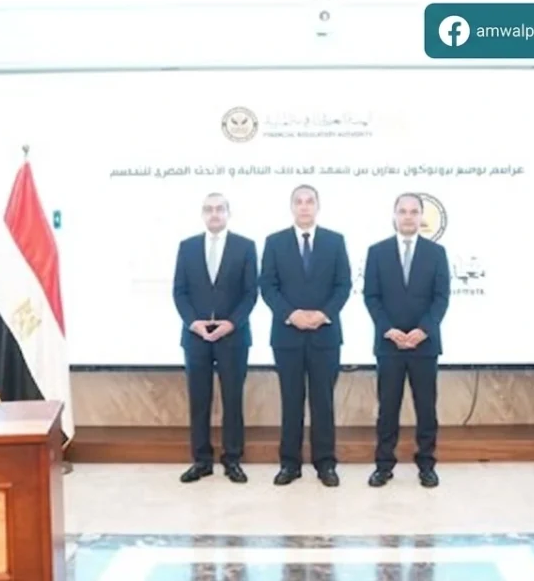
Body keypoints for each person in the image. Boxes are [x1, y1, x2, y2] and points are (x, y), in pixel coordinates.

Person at [259, 185, 352, 487]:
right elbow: (267, 286)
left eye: (309, 201)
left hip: (325, 335)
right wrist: (291, 314)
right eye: (298, 202)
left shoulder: (335, 241)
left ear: (317, 206)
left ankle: (326, 464)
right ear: (292, 207)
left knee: (323, 402)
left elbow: (343, 284)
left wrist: (323, 314)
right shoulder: (274, 242)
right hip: (287, 336)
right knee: (291, 401)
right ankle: (290, 464)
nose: (304, 206)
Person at [362, 193, 451, 488]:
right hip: (389, 345)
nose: (408, 216)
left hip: (424, 345)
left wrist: (423, 330)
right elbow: (371, 297)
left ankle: (426, 465)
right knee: (387, 409)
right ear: (394, 215)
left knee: (426, 408)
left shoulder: (436, 253)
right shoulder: (377, 252)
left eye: (414, 211)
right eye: (403, 211)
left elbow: (441, 298)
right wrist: (388, 329)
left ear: (421, 216)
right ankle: (383, 465)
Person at [172, 193, 258, 484]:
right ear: (202, 214)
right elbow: (179, 291)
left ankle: (232, 459)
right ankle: (201, 460)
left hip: (233, 336)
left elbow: (251, 293)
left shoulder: (245, 246)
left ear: (228, 213)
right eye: (209, 209)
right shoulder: (187, 247)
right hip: (196, 336)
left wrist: (231, 323)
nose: (214, 214)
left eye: (220, 209)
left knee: (232, 400)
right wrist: (193, 323)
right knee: (199, 401)